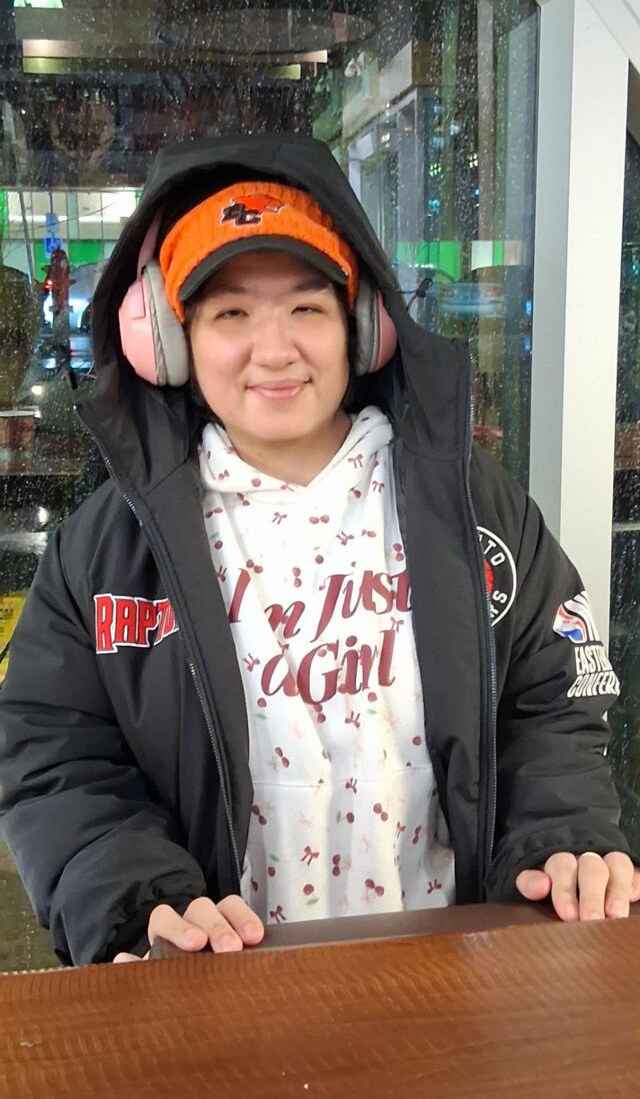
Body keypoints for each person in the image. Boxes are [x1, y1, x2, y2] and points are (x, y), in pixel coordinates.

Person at [0, 134, 638, 968]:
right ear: (170, 337)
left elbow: (551, 698)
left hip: (451, 973)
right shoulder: (105, 555)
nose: (274, 351)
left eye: (306, 309)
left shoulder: (467, 505)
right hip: (219, 985)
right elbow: (57, 756)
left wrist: (562, 837)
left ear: (362, 326)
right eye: (230, 314)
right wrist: (137, 901)